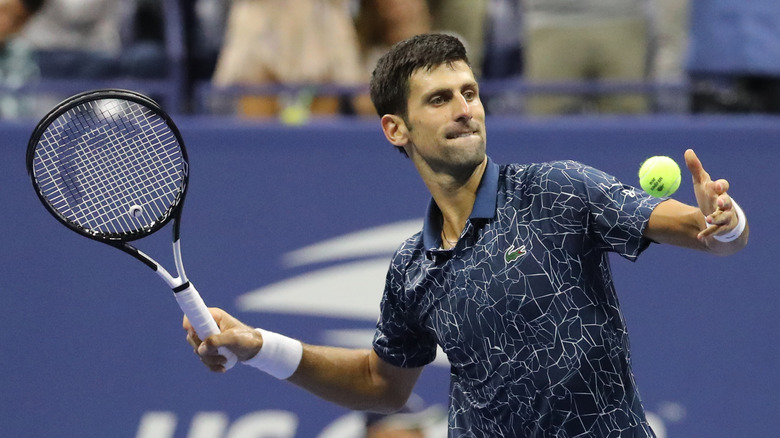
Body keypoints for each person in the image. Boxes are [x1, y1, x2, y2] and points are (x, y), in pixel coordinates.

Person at [185, 34, 749, 437]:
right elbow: (382, 385)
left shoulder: (559, 189)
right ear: (394, 129)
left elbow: (701, 232)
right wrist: (258, 347)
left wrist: (725, 222)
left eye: (470, 93)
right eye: (440, 99)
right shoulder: (412, 268)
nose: (465, 110)